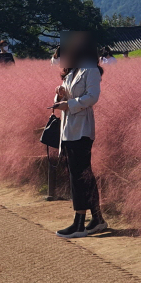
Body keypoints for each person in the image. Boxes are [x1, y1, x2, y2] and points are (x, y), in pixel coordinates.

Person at [52, 33, 105, 238]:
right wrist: (61, 95)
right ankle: (97, 218)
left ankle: (80, 223)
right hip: (69, 128)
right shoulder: (72, 71)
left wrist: (70, 104)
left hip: (82, 129)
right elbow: (67, 95)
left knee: (79, 177)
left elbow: (92, 97)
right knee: (83, 175)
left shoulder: (90, 70)